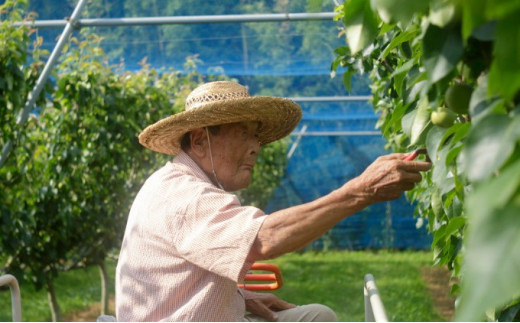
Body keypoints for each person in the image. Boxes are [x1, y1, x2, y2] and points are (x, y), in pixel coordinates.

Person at [115, 81, 431, 322]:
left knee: (318, 316)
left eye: (257, 136)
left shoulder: (179, 185)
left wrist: (241, 298)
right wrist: (362, 190)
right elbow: (263, 239)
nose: (256, 147)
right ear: (199, 140)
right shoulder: (185, 197)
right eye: (245, 134)